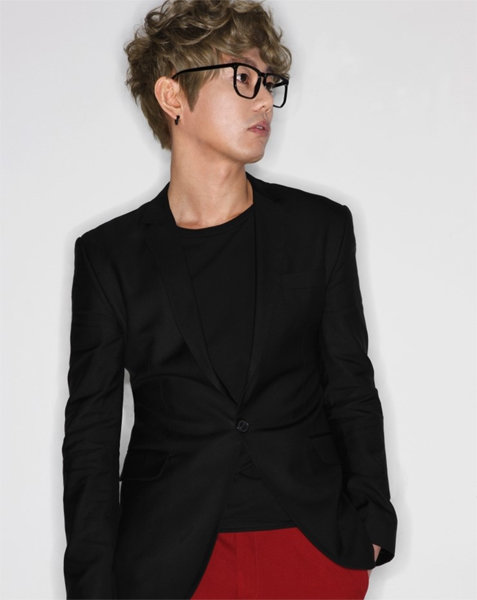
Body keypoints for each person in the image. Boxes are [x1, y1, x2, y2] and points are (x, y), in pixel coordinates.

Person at [61, 0, 398, 598]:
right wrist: (91, 586)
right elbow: (91, 433)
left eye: (269, 82)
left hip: (312, 545)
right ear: (173, 96)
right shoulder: (108, 256)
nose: (265, 100)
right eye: (243, 78)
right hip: (171, 560)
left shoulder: (319, 229)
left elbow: (350, 382)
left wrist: (372, 519)